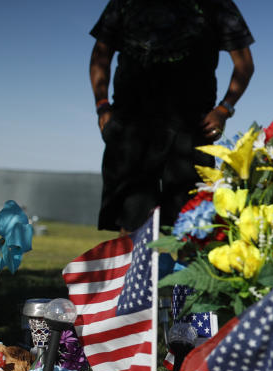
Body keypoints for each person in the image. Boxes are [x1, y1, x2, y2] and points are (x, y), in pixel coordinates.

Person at [89, 0, 255, 233]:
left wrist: (224, 109)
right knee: (130, 220)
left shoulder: (217, 4)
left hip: (191, 127)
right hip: (132, 125)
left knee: (192, 223)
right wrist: (102, 105)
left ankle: (183, 268)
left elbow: (244, 63)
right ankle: (131, 269)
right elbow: (100, 55)